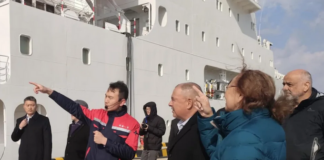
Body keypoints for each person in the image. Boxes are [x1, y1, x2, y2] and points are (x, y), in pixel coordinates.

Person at [193, 67, 297, 160]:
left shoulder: (244, 137)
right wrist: (207, 116)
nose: (225, 93)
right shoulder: (270, 125)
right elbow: (223, 151)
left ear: (240, 94)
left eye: (229, 87)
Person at [29, 81, 140, 160]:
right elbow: (73, 107)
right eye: (106, 96)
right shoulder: (96, 114)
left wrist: (106, 142)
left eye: (110, 98)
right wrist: (49, 92)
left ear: (122, 102)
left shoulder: (132, 124)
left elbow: (129, 153)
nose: (106, 100)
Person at [282, 69, 324, 160]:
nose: (284, 88)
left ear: (306, 86)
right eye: (284, 84)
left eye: (289, 84)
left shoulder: (321, 106)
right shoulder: (282, 108)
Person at [167, 82, 209, 160]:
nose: (170, 104)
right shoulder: (176, 124)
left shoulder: (203, 128)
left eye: (173, 99)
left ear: (189, 103)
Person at [11, 96, 52, 160]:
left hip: (38, 157)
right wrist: (20, 127)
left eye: (32, 105)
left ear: (36, 107)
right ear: (24, 106)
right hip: (23, 156)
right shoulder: (20, 120)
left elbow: (48, 143)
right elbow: (14, 138)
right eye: (28, 105)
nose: (30, 108)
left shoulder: (44, 120)